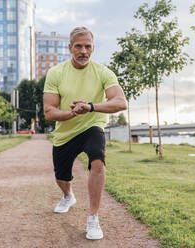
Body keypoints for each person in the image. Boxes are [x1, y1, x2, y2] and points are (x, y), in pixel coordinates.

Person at [43, 26, 127, 240]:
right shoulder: (56, 73)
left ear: (93, 48)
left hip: (92, 125)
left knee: (97, 160)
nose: (83, 51)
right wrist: (72, 113)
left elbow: (120, 102)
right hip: (66, 132)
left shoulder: (103, 72)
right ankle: (67, 195)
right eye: (78, 46)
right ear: (70, 47)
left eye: (87, 46)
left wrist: (90, 107)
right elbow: (49, 112)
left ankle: (93, 218)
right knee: (61, 177)